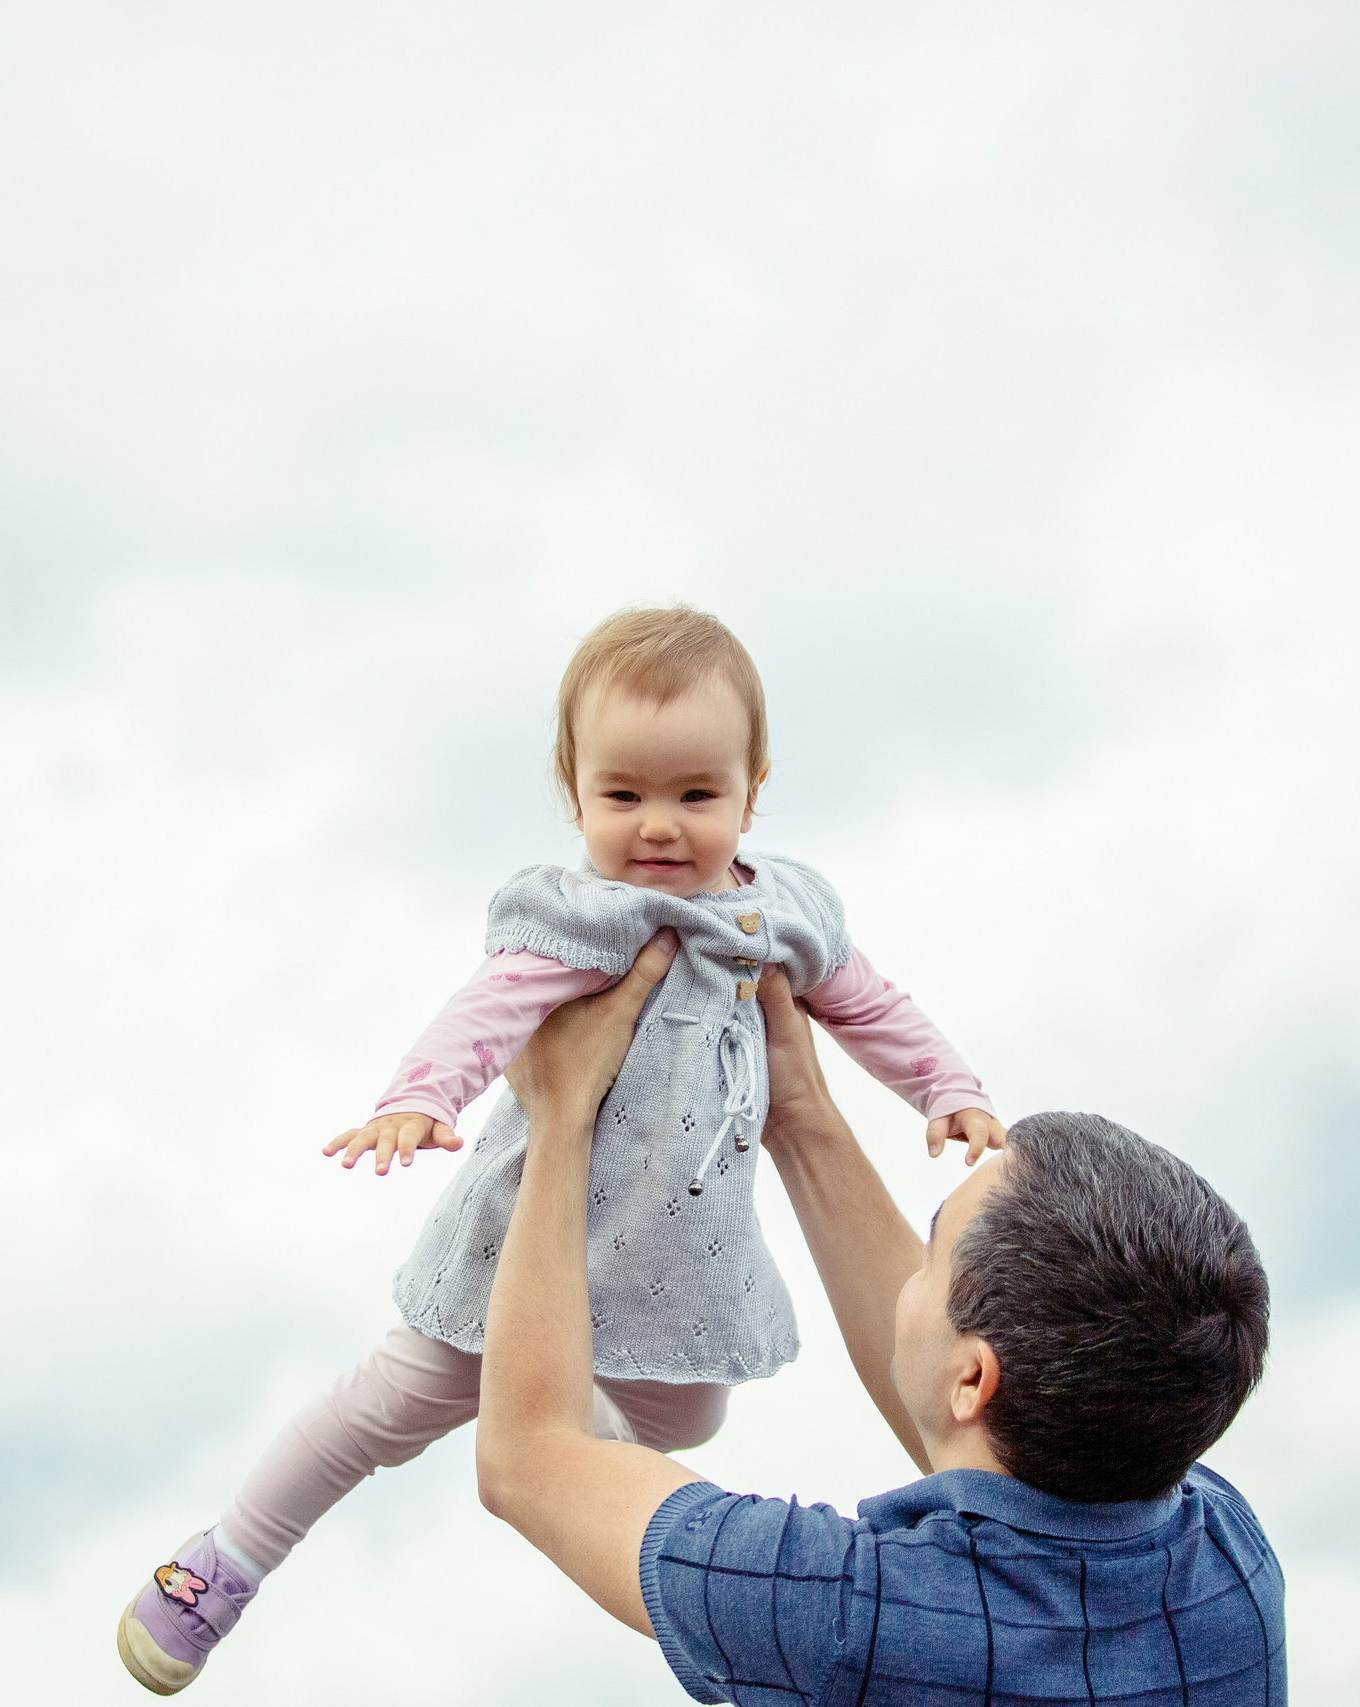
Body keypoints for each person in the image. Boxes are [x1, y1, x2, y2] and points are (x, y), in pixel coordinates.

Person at [117, 606, 1005, 1694]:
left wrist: (947, 1086)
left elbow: (872, 1006)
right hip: (521, 1247)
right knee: (379, 1407)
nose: (660, 828)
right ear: (572, 787)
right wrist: (418, 1096)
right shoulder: (585, 917)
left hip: (680, 1259)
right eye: (622, 796)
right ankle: (220, 1567)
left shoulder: (784, 917)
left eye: (696, 795)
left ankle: (532, 1416)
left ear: (753, 787)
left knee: (689, 1414)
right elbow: (483, 1012)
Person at [475, 935, 1285, 1704]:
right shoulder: (1229, 1564)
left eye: (932, 1255)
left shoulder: (849, 1616)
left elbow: (530, 1453)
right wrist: (799, 1110)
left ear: (973, 1377)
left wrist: (561, 1111)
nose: (912, 1272)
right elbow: (989, 1429)